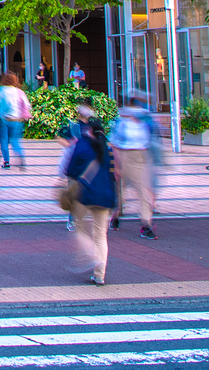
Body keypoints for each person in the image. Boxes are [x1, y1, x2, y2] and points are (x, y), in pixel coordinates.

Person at [62, 105, 117, 285]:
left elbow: (70, 170)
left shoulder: (83, 145)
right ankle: (99, 274)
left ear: (89, 131)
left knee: (77, 226)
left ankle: (90, 255)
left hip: (85, 195)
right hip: (105, 197)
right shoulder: (107, 148)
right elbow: (113, 175)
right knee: (101, 235)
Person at [112, 91, 159, 238]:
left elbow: (149, 143)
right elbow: (115, 144)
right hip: (125, 157)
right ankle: (116, 216)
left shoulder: (144, 124)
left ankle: (146, 224)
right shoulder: (123, 124)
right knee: (120, 192)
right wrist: (117, 166)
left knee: (144, 192)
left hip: (140, 158)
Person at [0, 72, 32, 170]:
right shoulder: (19, 92)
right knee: (15, 140)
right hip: (17, 120)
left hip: (3, 120)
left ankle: (6, 162)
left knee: (4, 141)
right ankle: (20, 155)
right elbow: (27, 105)